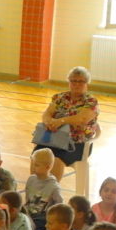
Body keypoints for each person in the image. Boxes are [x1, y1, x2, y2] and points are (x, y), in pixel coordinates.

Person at [34, 67, 100, 196]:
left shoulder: (91, 101)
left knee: (57, 159)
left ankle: (49, 195)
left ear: (87, 83)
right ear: (69, 82)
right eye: (73, 80)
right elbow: (47, 114)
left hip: (77, 144)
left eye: (81, 81)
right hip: (55, 138)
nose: (76, 84)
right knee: (38, 155)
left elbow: (82, 119)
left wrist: (61, 121)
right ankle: (36, 192)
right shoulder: (60, 97)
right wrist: (49, 122)